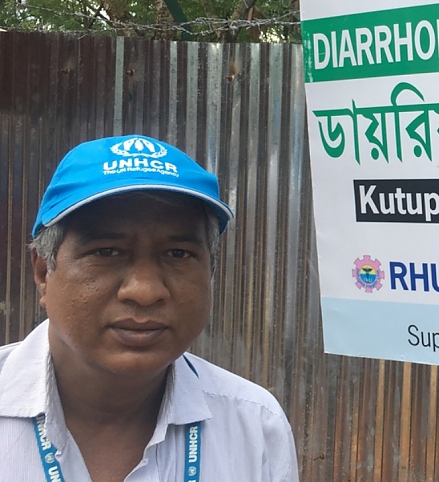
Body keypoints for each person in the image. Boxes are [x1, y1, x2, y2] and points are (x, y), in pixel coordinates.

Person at [0, 135, 299, 481]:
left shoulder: (254, 426)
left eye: (178, 254)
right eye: (107, 251)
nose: (145, 291)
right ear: (43, 273)